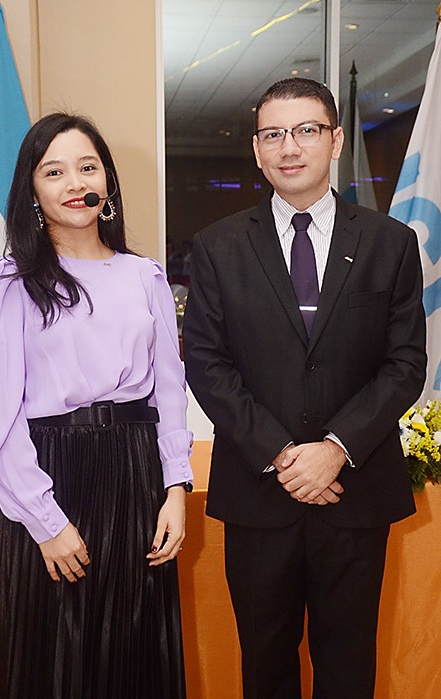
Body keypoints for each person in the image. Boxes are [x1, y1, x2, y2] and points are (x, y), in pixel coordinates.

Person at [182, 77, 426, 699]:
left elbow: (404, 364)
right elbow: (206, 363)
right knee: (265, 665)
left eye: (306, 130)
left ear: (336, 140)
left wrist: (336, 448)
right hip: (259, 492)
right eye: (273, 134)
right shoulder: (217, 247)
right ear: (257, 149)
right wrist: (283, 453)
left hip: (354, 491)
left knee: (348, 664)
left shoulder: (390, 243)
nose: (289, 147)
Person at [0, 112, 193, 699]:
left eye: (87, 167)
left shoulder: (144, 275)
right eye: (54, 171)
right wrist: (46, 523)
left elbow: (169, 390)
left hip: (135, 475)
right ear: (32, 190)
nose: (75, 182)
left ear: (107, 182)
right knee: (54, 658)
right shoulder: (7, 281)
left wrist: (175, 489)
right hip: (51, 477)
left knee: (134, 654)